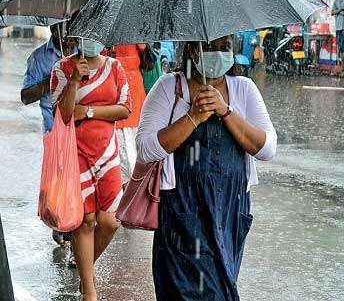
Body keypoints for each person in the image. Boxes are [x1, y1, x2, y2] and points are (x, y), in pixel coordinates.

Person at [136, 36, 277, 301]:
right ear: (192, 49)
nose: (217, 53)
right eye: (210, 47)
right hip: (183, 213)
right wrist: (193, 117)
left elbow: (267, 148)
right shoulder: (169, 87)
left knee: (219, 285)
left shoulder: (243, 89)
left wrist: (225, 111)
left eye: (224, 48)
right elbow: (145, 148)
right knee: (199, 292)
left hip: (231, 212)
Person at [51, 39, 131, 301]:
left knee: (110, 221)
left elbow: (124, 109)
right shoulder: (61, 68)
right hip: (75, 153)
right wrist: (74, 80)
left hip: (107, 153)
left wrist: (89, 112)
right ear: (75, 38)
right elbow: (63, 114)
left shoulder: (115, 67)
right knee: (84, 221)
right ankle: (89, 290)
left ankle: (85, 267)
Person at [21, 22, 75, 247]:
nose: (68, 33)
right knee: (59, 180)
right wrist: (52, 80)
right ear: (54, 30)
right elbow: (25, 96)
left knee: (77, 181)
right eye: (63, 28)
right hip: (54, 129)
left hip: (81, 126)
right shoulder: (39, 57)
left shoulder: (84, 52)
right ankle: (59, 224)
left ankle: (73, 225)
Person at [114, 44, 146, 183]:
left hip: (135, 95)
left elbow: (148, 62)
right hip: (115, 97)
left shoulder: (135, 32)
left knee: (134, 154)